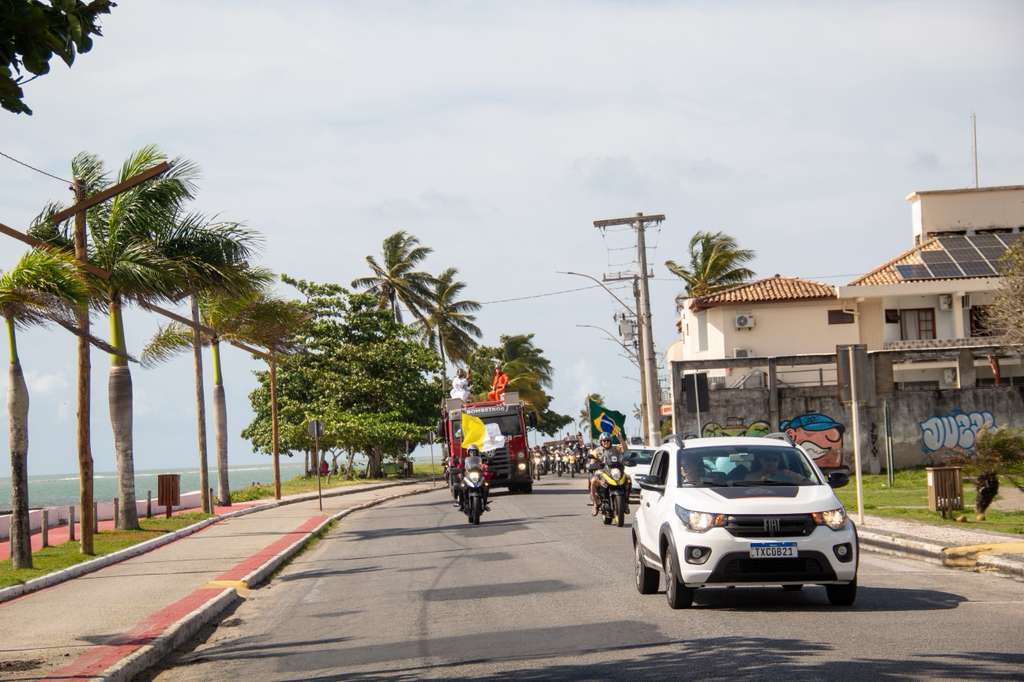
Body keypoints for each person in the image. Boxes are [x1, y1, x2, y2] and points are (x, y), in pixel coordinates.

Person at [589, 432, 622, 516]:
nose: (606, 442)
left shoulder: (616, 448)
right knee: (593, 481)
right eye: (604, 440)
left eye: (607, 440)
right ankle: (595, 504)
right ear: (601, 442)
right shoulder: (597, 451)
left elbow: (626, 449)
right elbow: (592, 462)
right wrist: (594, 465)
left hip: (614, 473)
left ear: (610, 441)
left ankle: (625, 503)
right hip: (601, 474)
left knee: (628, 480)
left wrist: (621, 439)